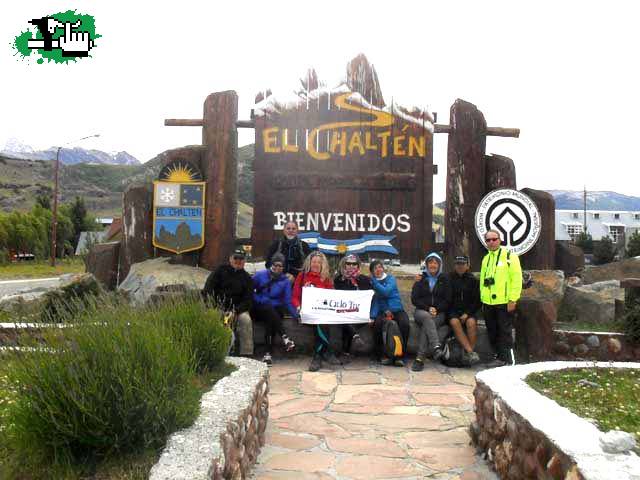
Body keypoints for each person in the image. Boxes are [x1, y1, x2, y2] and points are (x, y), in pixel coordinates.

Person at [479, 229, 523, 367]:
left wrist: (513, 299)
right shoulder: (486, 258)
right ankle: (498, 358)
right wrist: (482, 298)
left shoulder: (510, 256)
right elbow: (483, 280)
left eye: (494, 239)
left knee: (505, 332)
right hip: (488, 302)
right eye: (488, 240)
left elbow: (516, 279)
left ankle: (510, 361)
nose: (491, 242)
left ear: (500, 240)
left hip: (504, 302)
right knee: (492, 331)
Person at [201, 248, 254, 357]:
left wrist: (235, 311)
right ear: (230, 259)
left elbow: (248, 300)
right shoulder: (220, 271)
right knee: (211, 318)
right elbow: (208, 290)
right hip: (217, 307)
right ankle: (211, 351)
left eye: (241, 259)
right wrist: (215, 307)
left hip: (237, 310)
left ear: (245, 261)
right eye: (236, 258)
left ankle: (247, 354)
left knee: (246, 320)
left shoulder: (247, 278)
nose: (238, 261)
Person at [292, 251, 337, 372]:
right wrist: (298, 307)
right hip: (306, 311)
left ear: (323, 264)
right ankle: (326, 352)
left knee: (321, 322)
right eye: (314, 262)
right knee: (321, 323)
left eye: (319, 262)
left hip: (322, 312)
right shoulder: (302, 276)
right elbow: (295, 296)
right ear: (309, 263)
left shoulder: (326, 278)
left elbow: (331, 297)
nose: (316, 264)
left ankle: (318, 356)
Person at [251, 253, 297, 366]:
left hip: (274, 310)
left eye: (280, 266)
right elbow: (250, 290)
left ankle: (267, 354)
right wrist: (260, 299)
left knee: (271, 319)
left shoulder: (285, 281)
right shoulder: (260, 275)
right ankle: (284, 337)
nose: (277, 268)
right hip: (259, 308)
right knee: (269, 310)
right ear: (271, 264)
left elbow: (287, 301)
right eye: (275, 265)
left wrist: (296, 315)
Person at [411, 252, 452, 372]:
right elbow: (414, 299)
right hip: (421, 311)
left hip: (439, 313)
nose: (433, 265)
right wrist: (428, 308)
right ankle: (435, 346)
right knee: (427, 318)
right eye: (430, 262)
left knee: (427, 324)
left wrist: (437, 309)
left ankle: (419, 359)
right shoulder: (420, 278)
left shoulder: (445, 279)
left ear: (439, 265)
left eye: (435, 262)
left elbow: (448, 299)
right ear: (427, 264)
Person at [370, 259, 410, 367]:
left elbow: (386, 292)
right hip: (383, 310)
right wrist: (374, 315)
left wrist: (375, 283)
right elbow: (377, 300)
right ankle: (382, 354)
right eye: (375, 268)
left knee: (404, 324)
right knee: (377, 324)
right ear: (372, 272)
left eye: (380, 267)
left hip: (396, 309)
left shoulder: (390, 279)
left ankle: (401, 355)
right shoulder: (372, 283)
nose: (378, 270)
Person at [333, 254, 370, 359]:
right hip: (343, 311)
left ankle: (345, 349)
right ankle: (353, 338)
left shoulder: (364, 279)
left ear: (358, 266)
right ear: (344, 265)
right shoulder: (339, 279)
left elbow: (369, 296)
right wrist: (346, 279)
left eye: (354, 264)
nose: (351, 266)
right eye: (348, 263)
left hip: (359, 312)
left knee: (348, 322)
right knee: (342, 320)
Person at [448, 255, 481, 365]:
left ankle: (468, 356)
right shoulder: (448, 278)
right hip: (453, 311)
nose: (460, 266)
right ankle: (471, 352)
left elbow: (477, 301)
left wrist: (467, 314)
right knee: (454, 322)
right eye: (458, 264)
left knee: (471, 322)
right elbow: (447, 299)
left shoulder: (473, 280)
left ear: (467, 266)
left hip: (469, 311)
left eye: (462, 264)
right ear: (454, 265)